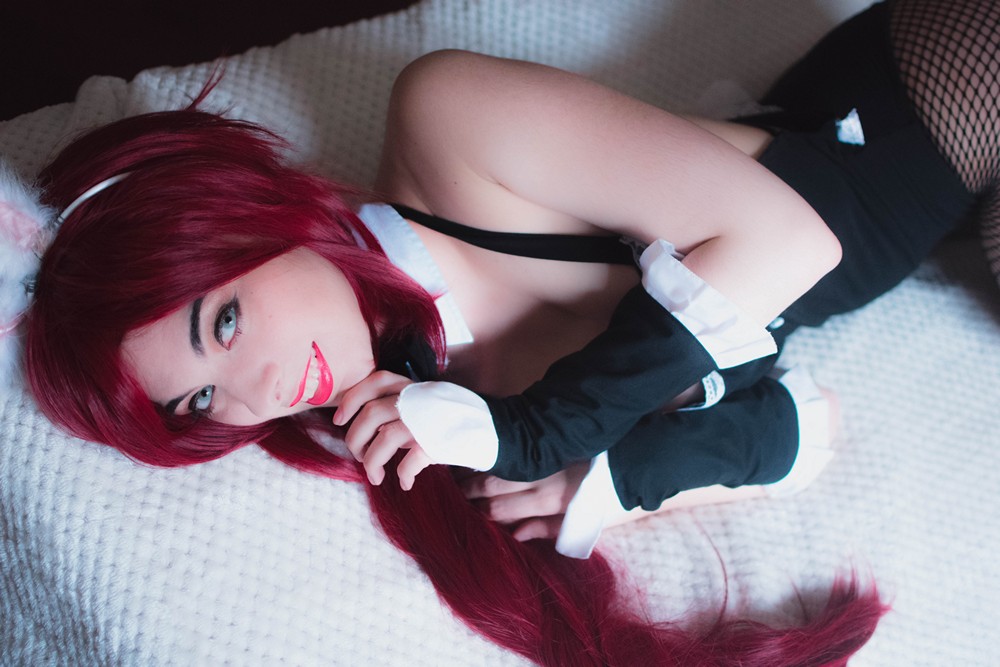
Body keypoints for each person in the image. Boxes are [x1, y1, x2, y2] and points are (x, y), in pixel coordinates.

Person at [4, 0, 996, 664]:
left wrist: (540, 435)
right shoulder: (457, 411)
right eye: (200, 399)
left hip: (933, 91)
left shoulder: (450, 121)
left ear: (254, 217)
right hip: (936, 212)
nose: (259, 388)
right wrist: (611, 482)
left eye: (225, 319)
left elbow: (793, 239)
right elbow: (797, 427)